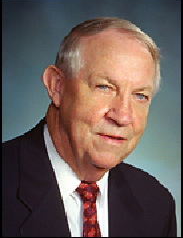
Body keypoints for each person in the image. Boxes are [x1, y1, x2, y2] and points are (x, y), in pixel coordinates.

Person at [2, 17, 177, 237]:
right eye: (104, 87)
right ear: (57, 86)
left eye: (140, 95)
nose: (123, 116)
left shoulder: (157, 205)